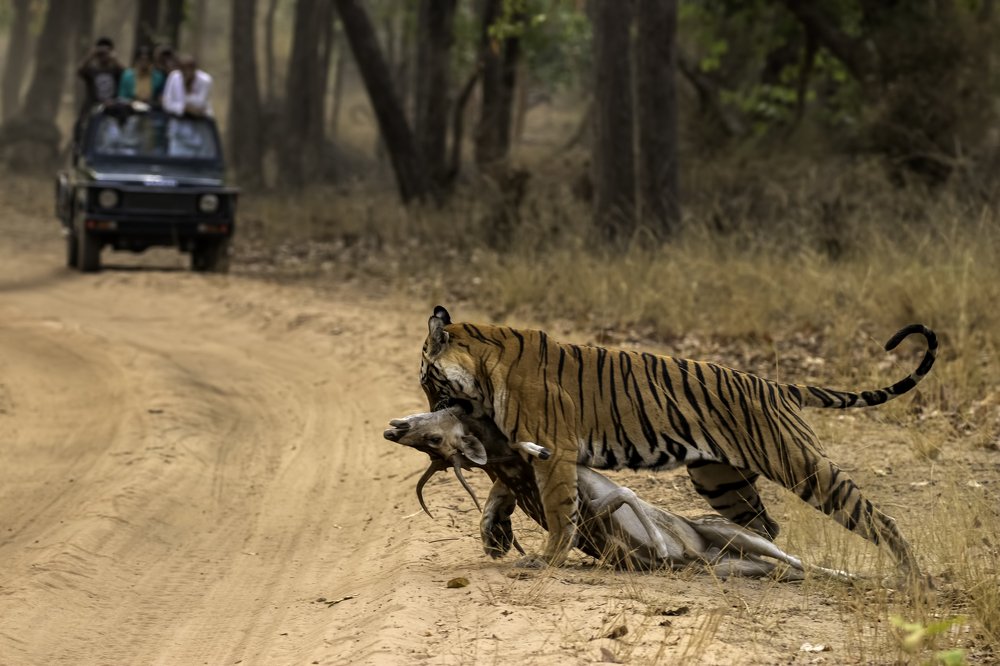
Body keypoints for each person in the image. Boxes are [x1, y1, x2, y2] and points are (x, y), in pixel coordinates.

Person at [77, 37, 124, 111]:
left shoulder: (115, 71)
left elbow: (126, 74)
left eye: (106, 53)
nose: (103, 56)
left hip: (112, 108)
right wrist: (90, 56)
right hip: (93, 108)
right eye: (101, 53)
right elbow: (79, 71)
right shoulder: (91, 70)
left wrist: (115, 59)